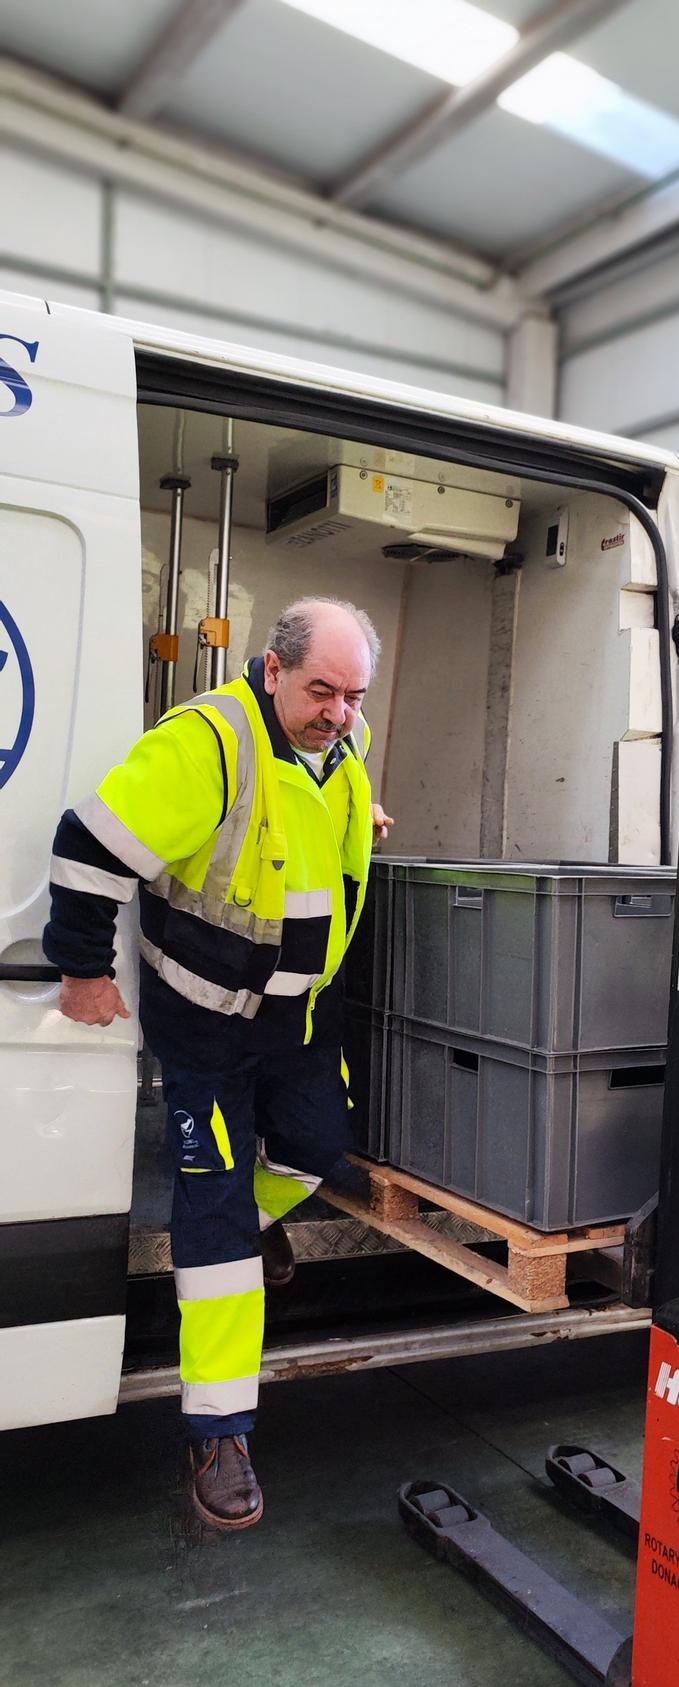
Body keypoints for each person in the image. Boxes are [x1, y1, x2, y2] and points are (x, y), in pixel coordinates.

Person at [44, 598, 393, 1531]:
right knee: (213, 1224)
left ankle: (254, 1219)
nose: (341, 712)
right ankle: (219, 1431)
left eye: (355, 696)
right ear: (271, 670)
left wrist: (358, 806)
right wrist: (81, 972)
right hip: (207, 1033)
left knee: (321, 1150)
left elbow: (308, 830)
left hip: (297, 1021)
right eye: (322, 690)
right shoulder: (207, 744)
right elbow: (87, 850)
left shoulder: (337, 750)